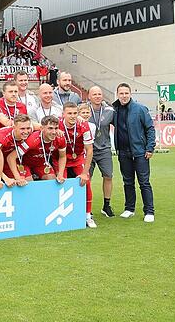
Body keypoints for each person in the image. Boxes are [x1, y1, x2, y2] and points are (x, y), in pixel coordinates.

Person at [111, 83, 155, 222]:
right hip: (123, 152)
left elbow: (150, 129)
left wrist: (150, 147)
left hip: (140, 152)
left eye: (126, 93)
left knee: (144, 182)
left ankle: (149, 211)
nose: (124, 96)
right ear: (117, 94)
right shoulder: (114, 110)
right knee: (128, 182)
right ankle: (129, 209)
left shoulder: (140, 109)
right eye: (121, 93)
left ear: (130, 94)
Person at [58, 102, 96, 228]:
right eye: (69, 113)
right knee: (59, 182)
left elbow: (89, 150)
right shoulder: (56, 125)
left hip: (77, 158)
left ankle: (87, 215)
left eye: (75, 113)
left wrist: (85, 173)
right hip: (59, 159)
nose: (73, 116)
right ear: (63, 114)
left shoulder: (83, 126)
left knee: (87, 182)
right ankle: (60, 213)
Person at [85, 87, 116, 218]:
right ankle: (86, 207)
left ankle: (106, 205)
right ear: (89, 96)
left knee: (108, 176)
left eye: (99, 94)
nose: (97, 96)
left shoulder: (109, 111)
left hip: (104, 148)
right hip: (88, 149)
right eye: (94, 94)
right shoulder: (84, 110)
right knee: (87, 179)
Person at [15, 116, 67, 182]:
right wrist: (17, 176)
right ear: (42, 128)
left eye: (56, 128)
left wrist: (60, 174)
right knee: (28, 182)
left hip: (41, 163)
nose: (54, 132)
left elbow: (62, 157)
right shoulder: (32, 140)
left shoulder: (60, 138)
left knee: (51, 179)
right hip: (24, 163)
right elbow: (12, 157)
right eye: (50, 128)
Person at [0, 114, 34, 187]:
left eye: (28, 128)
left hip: (11, 159)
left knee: (29, 181)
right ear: (14, 127)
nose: (26, 132)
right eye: (22, 129)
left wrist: (57, 130)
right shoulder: (2, 137)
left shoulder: (29, 130)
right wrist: (6, 178)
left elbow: (41, 127)